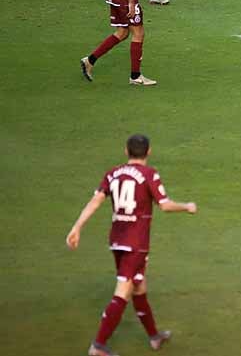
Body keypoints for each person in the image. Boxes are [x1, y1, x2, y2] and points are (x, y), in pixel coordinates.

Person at [65, 134, 197, 356]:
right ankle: (97, 346)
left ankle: (154, 337)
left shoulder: (113, 173)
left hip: (117, 240)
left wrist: (77, 226)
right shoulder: (149, 174)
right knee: (123, 292)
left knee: (138, 286)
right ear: (149, 152)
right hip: (136, 242)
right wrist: (187, 206)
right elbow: (164, 205)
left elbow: (96, 201)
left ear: (126, 151)